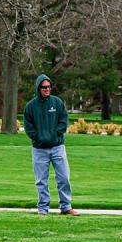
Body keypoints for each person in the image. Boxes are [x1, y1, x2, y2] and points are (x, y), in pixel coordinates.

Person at [23, 74, 77, 215]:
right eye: (44, 87)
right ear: (38, 88)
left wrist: (54, 135)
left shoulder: (57, 103)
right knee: (41, 181)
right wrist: (39, 138)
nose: (47, 89)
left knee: (64, 177)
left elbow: (63, 122)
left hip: (58, 147)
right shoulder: (30, 107)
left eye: (49, 87)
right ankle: (43, 208)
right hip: (39, 149)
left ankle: (66, 207)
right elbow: (29, 128)